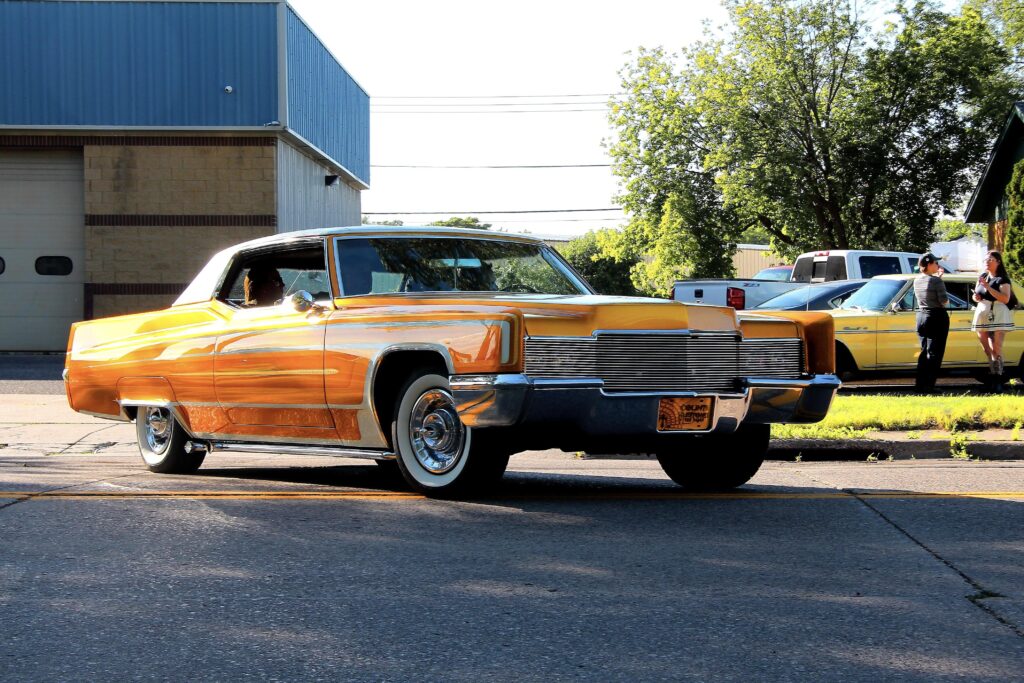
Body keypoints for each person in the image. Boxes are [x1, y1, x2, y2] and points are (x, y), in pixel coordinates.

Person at [972, 250, 1014, 387]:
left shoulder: (1002, 279)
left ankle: (999, 378)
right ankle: (993, 373)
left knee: (996, 347)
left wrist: (988, 287)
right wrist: (976, 297)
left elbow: (1005, 298)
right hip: (982, 312)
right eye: (986, 260)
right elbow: (976, 295)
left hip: (998, 312)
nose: (987, 262)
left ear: (998, 262)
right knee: (986, 348)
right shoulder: (982, 276)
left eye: (990, 260)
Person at [913, 253, 949, 392]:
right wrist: (940, 281)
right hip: (936, 316)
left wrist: (938, 279)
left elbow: (928, 289)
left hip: (921, 316)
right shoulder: (936, 281)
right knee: (935, 353)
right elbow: (944, 301)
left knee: (924, 352)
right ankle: (929, 386)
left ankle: (920, 384)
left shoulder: (917, 280)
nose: (937, 265)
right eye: (935, 263)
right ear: (928, 265)